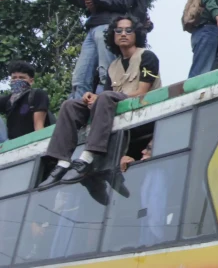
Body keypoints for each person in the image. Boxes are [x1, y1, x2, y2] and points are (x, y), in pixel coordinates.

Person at [40, 15, 161, 188]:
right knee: (70, 106)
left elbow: (142, 92)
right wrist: (92, 99)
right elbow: (105, 96)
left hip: (141, 111)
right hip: (114, 108)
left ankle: (88, 157)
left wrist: (102, 98)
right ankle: (62, 162)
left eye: (128, 30)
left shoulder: (147, 57)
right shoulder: (113, 66)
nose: (123, 34)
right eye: (118, 30)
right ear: (113, 35)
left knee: (105, 97)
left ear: (137, 34)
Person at [28, 0, 147, 98]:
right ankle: (78, 111)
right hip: (93, 29)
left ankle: (109, 103)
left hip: (110, 29)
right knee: (80, 77)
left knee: (108, 73)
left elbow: (123, 3)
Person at [119, 139, 167, 246]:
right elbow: (128, 198)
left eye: (149, 148)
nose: (143, 151)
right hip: (143, 241)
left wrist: (156, 162)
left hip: (162, 241)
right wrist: (127, 171)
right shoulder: (146, 175)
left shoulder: (166, 172)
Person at [0, 61, 50, 140]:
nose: (17, 80)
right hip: (12, 145)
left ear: (31, 81)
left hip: (31, 141)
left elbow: (39, 127)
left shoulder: (37, 95)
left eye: (21, 78)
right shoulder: (8, 100)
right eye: (14, 78)